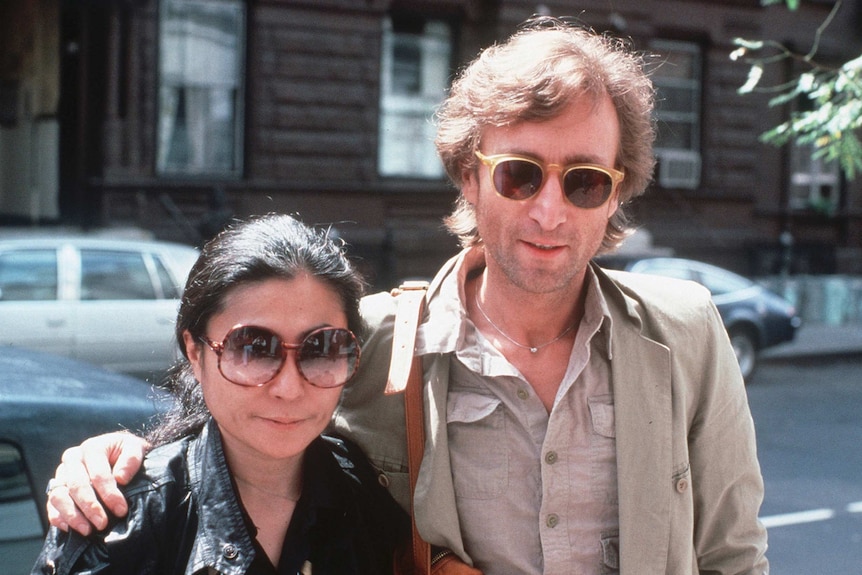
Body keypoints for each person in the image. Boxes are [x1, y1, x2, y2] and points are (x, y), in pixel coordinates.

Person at [44, 17, 769, 575]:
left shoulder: (687, 331)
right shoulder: (376, 340)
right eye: (521, 174)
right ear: (468, 176)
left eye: (584, 181)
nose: (552, 211)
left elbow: (734, 553)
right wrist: (121, 460)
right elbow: (253, 415)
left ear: (616, 193)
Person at [32, 214, 409, 574]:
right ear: (195, 353)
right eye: (254, 348)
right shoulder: (122, 521)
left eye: (321, 348)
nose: (290, 388)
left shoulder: (363, 500)